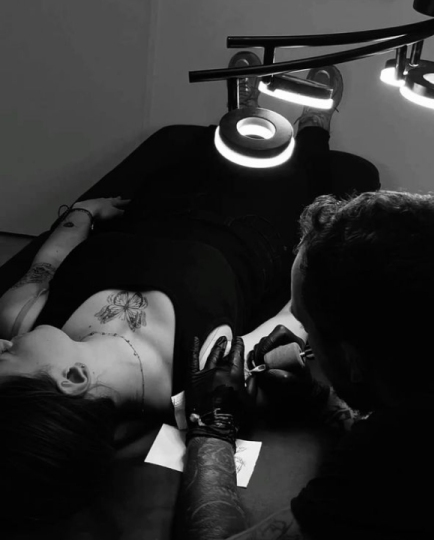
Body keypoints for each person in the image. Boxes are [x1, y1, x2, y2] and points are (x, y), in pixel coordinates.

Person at [0, 57, 373, 529]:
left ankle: (243, 107)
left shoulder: (19, 318)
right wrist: (316, 246)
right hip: (253, 233)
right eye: (6, 359)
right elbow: (298, 311)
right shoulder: (207, 374)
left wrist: (84, 212)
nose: (2, 345)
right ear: (72, 378)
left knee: (215, 143)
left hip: (156, 208)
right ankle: (316, 124)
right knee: (299, 178)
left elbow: (47, 263)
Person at [176, 135, 434, 536]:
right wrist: (321, 399)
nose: (306, 345)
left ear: (352, 359)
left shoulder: (409, 449)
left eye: (306, 325)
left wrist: (210, 427)